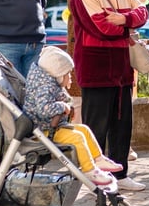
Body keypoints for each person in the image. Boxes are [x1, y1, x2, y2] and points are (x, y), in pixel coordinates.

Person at [70, 0, 149, 191]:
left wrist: (123, 19)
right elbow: (102, 27)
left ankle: (120, 174)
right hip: (96, 68)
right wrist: (128, 22)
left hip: (121, 68)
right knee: (96, 127)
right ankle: (94, 178)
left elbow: (143, 12)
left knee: (122, 123)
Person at [23, 46, 124, 185]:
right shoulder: (44, 87)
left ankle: (98, 159)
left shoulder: (49, 82)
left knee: (84, 129)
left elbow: (61, 98)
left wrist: (67, 103)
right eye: (68, 74)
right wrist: (63, 106)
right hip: (43, 130)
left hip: (51, 126)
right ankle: (89, 170)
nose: (70, 77)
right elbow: (44, 109)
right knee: (78, 137)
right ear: (59, 74)